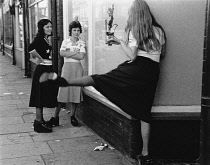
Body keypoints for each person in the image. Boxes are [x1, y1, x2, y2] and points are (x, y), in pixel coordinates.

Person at [39, 0, 166, 164]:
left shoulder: (136, 29)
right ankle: (145, 154)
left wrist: (121, 41)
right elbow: (162, 54)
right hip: (153, 71)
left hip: (137, 68)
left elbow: (132, 56)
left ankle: (64, 82)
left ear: (135, 13)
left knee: (99, 79)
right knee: (144, 113)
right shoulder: (160, 31)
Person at [46, 20, 86, 127]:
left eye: (78, 30)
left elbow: (81, 56)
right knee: (62, 92)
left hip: (77, 69)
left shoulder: (82, 43)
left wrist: (69, 53)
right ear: (71, 31)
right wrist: (74, 52)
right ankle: (55, 117)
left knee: (75, 92)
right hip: (67, 68)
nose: (76, 32)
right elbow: (62, 53)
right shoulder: (65, 41)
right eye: (74, 30)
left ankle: (73, 116)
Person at [29, 19, 58, 133]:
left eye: (51, 26)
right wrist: (39, 58)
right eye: (47, 27)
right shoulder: (40, 39)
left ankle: (40, 120)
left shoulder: (46, 39)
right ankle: (38, 122)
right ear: (42, 28)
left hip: (47, 69)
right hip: (42, 70)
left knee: (43, 94)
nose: (50, 29)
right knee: (39, 95)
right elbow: (30, 48)